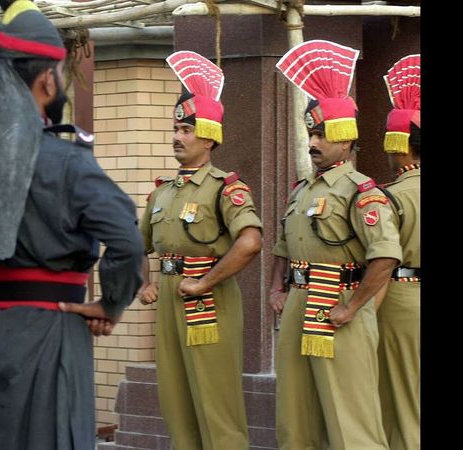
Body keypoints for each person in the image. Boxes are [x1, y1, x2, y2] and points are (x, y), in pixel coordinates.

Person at [0, 1, 144, 449]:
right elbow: (126, 240)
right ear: (47, 79)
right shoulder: (66, 160)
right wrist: (111, 304)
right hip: (52, 330)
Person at [268, 40, 403, 450]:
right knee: (295, 411)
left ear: (345, 140)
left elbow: (385, 256)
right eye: (310, 132)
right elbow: (283, 245)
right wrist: (277, 286)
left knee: (350, 418)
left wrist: (353, 305)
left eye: (322, 134)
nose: (313, 142)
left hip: (338, 304)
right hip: (298, 301)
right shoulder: (301, 190)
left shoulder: (361, 192)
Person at [137, 50, 263, 450]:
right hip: (169, 301)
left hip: (208, 301)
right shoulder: (161, 191)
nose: (177, 136)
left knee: (216, 403)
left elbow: (250, 241)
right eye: (176, 128)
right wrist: (145, 282)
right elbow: (135, 243)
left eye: (187, 130)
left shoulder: (226, 188)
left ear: (209, 136)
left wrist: (206, 280)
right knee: (176, 401)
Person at [376, 54, 421, 450]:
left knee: (401, 397)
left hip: (402, 298)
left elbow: (382, 257)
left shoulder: (392, 196)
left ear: (400, 146)